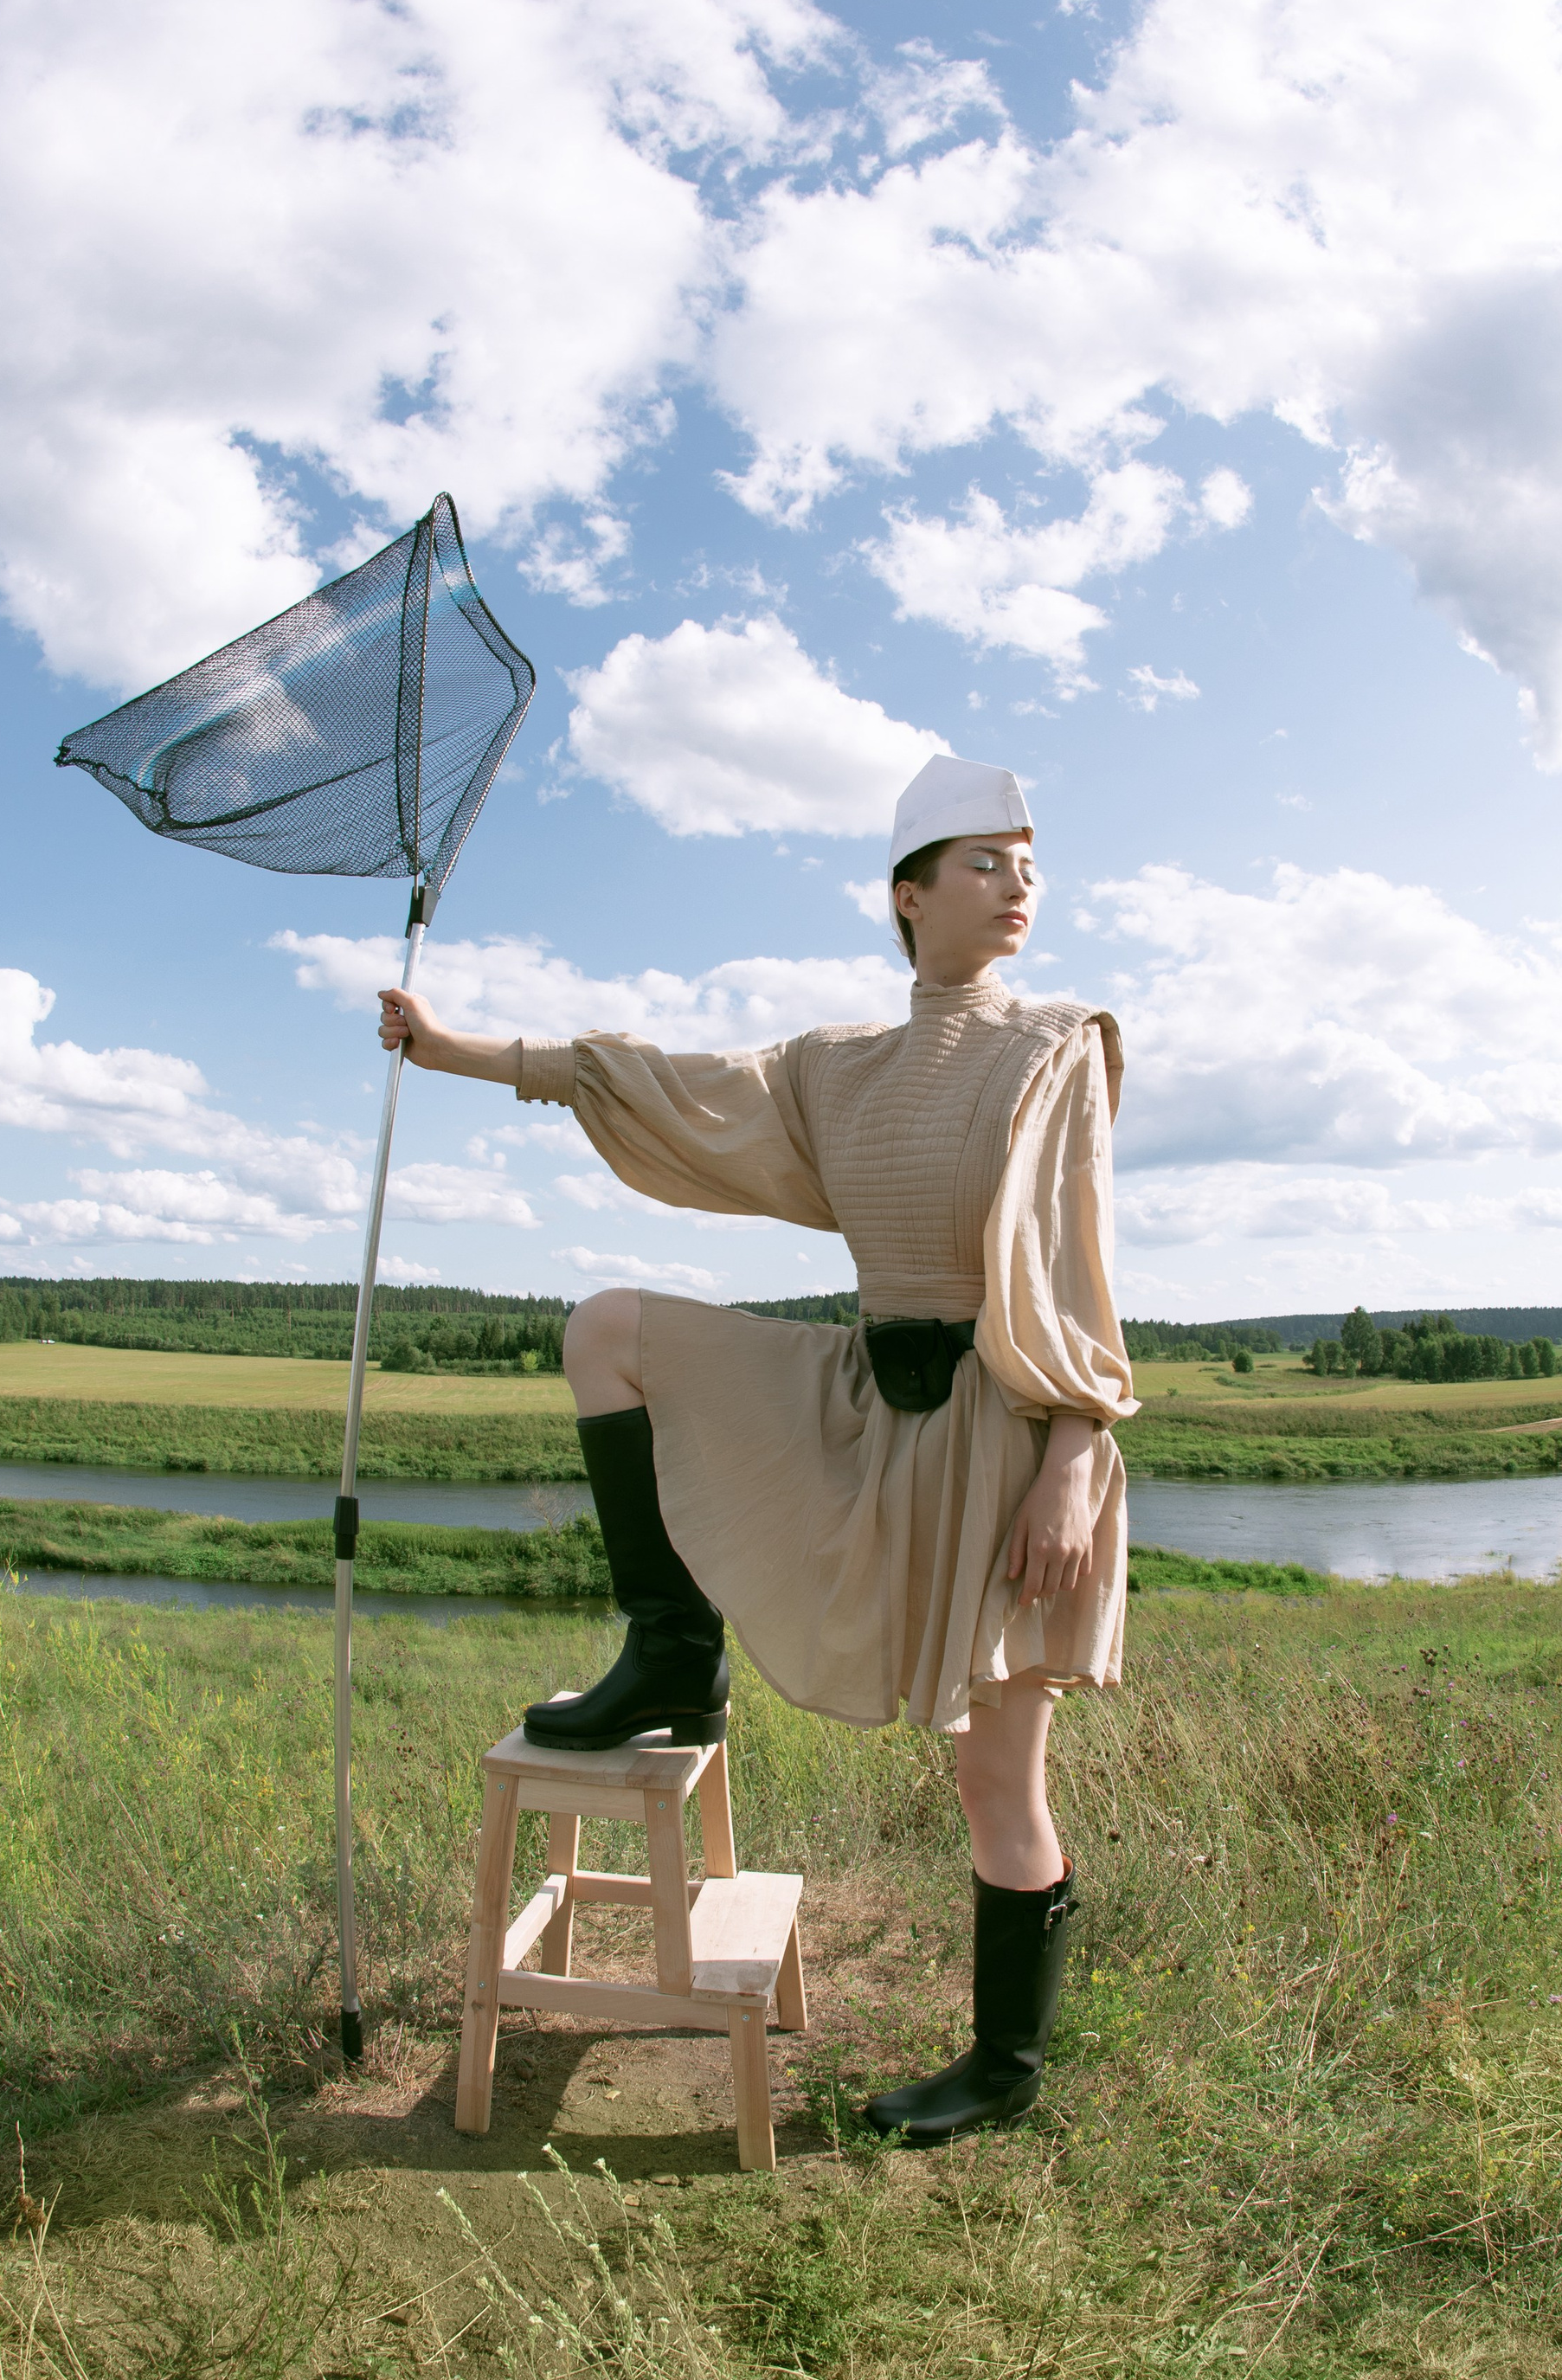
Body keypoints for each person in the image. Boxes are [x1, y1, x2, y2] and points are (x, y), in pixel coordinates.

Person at [377, 755, 1135, 2142]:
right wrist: (453, 1051)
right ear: (909, 895)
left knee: (994, 1778)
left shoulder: (1057, 1046)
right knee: (607, 1327)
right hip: (864, 1400)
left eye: (1029, 857)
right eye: (983, 858)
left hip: (1009, 1442)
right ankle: (673, 1652)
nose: (1018, 879)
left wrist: (1077, 1457)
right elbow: (651, 1081)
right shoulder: (831, 1068)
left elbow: (1078, 1272)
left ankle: (1005, 2070)